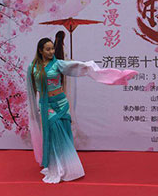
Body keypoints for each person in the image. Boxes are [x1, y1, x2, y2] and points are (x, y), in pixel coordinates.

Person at [26, 37, 137, 183]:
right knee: (54, 131)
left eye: (52, 48)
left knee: (63, 133)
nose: (51, 52)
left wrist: (99, 70)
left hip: (61, 102)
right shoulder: (33, 67)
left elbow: (78, 67)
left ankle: (67, 165)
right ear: (40, 51)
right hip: (47, 105)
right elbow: (32, 89)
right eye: (48, 49)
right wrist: (36, 109)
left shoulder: (58, 64)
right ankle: (56, 165)